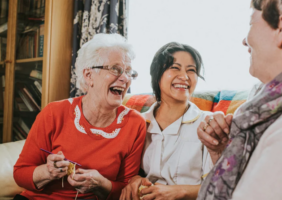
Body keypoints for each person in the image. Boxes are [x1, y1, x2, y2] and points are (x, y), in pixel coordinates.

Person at [13, 33, 147, 200]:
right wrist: (47, 172)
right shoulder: (54, 113)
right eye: (115, 69)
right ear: (88, 75)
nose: (125, 78)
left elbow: (127, 189)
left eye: (129, 72)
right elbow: (20, 174)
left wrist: (101, 184)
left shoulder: (135, 124)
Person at [197, 0, 282, 199]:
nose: (245, 40)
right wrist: (224, 153)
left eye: (251, 24)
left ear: (280, 29)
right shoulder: (259, 107)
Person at [120, 42, 214, 200]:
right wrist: (134, 180)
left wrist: (178, 192)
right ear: (157, 75)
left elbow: (217, 186)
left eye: (191, 70)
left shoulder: (208, 123)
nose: (184, 77)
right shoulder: (138, 123)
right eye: (175, 68)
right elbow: (124, 174)